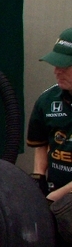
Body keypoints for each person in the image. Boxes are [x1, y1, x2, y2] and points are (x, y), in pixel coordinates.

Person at [28, 28, 72, 203]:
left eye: (65, 66)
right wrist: (39, 177)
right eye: (56, 64)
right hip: (56, 192)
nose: (57, 71)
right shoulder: (47, 100)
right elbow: (41, 142)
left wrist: (55, 198)